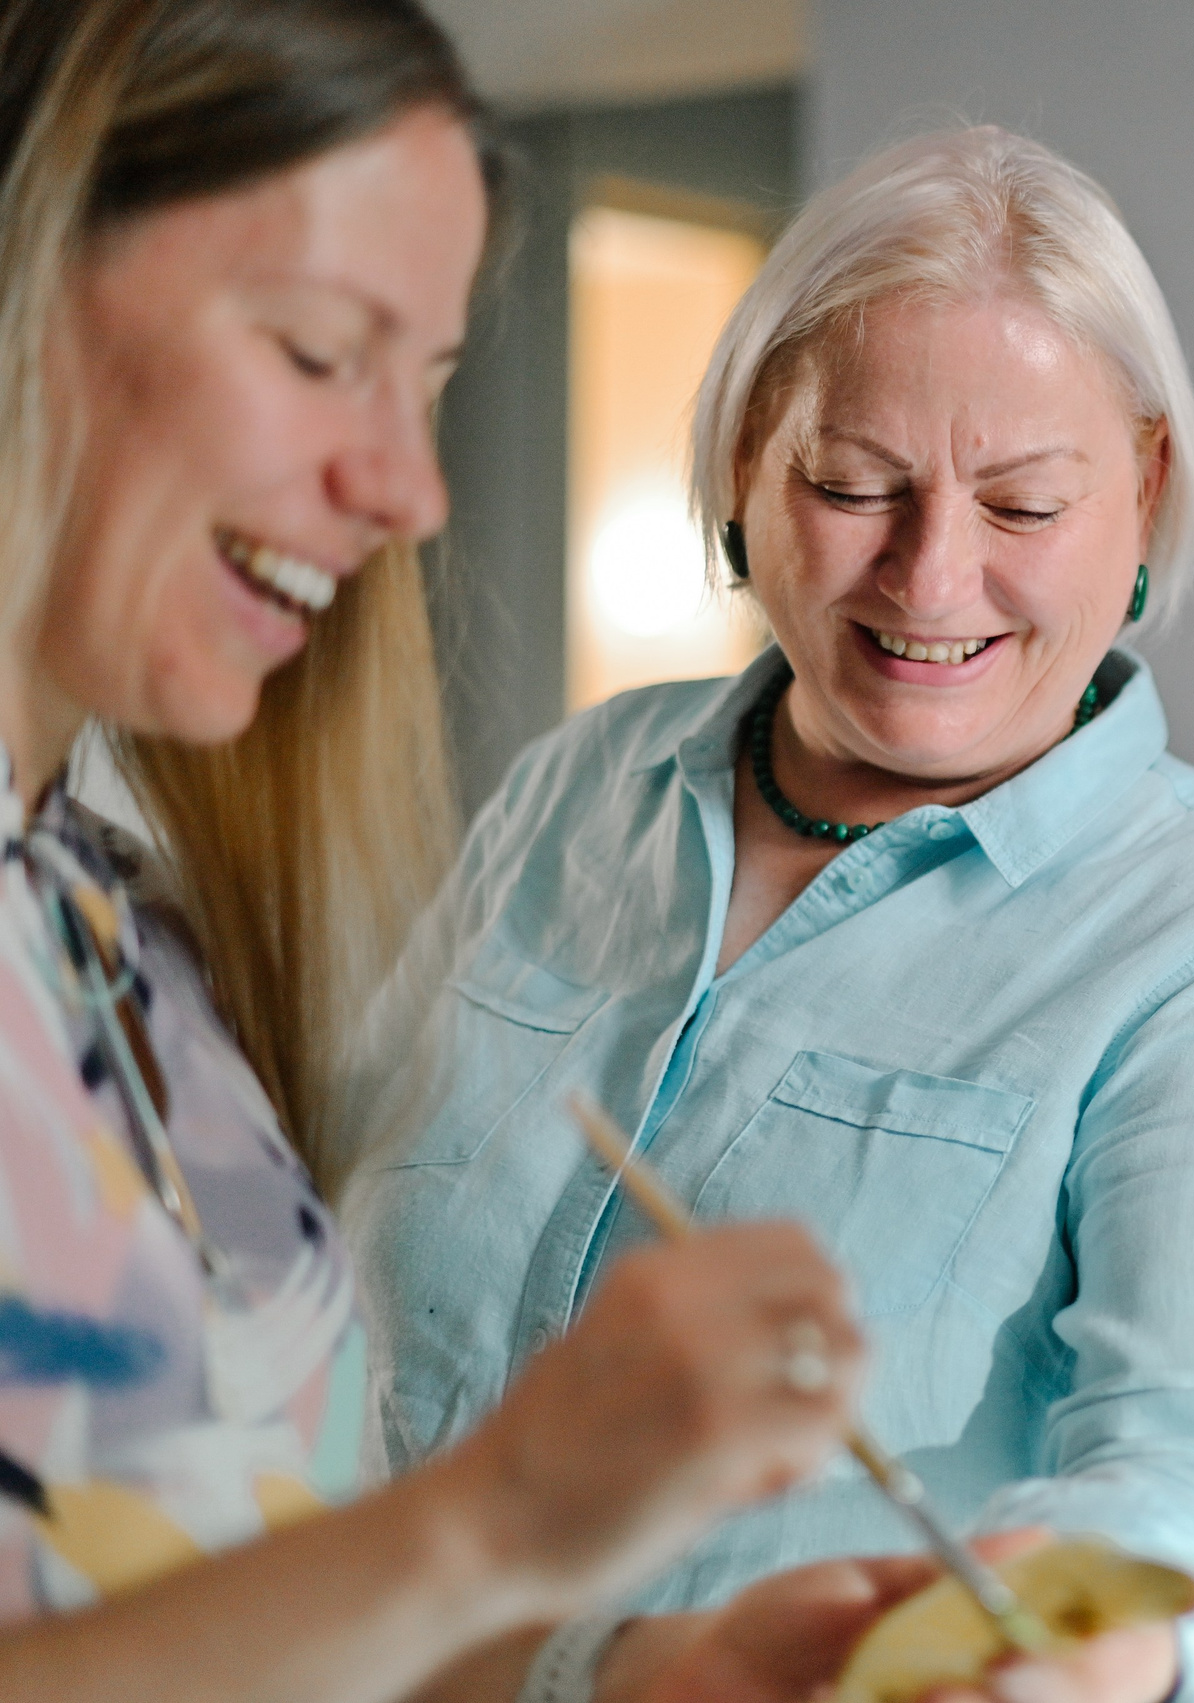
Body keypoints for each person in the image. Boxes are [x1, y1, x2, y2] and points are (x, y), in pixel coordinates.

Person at [345, 126, 1194, 1703]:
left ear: (1148, 487)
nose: (932, 577)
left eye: (1024, 505)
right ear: (749, 461)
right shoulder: (580, 786)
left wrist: (1099, 1641)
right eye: (852, 485)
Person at [0, 1, 954, 1700]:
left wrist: (654, 1672)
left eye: (427, 381)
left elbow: (250, 1603)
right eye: (314, 349)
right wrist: (497, 1518)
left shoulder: (117, 947)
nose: (410, 491)